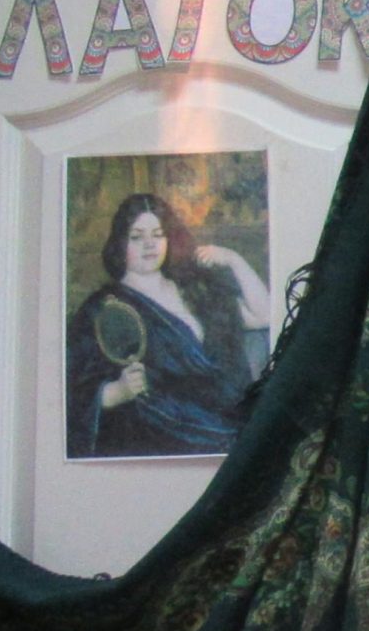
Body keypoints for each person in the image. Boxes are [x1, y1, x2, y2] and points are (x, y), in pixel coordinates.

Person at [64, 191, 273, 458]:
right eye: (137, 237)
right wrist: (117, 392)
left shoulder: (194, 290)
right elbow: (71, 393)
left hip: (223, 416)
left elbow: (264, 316)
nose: (149, 245)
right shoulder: (102, 308)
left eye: (158, 234)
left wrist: (233, 259)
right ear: (120, 243)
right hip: (161, 431)